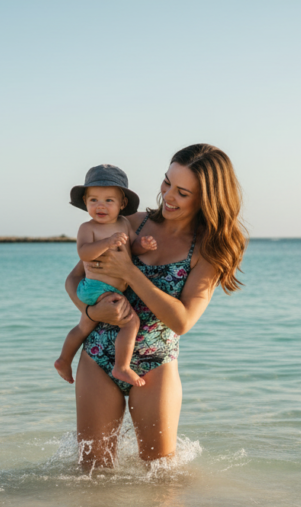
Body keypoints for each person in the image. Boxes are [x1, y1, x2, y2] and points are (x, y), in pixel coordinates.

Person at [65, 144, 247, 468]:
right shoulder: (129, 223)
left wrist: (130, 273)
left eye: (182, 192)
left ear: (207, 199)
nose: (169, 196)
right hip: (97, 356)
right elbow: (74, 278)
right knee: (91, 476)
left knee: (160, 478)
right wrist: (91, 312)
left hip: (156, 363)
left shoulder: (206, 251)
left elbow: (182, 321)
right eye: (167, 183)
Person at [55, 164, 158, 387]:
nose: (100, 206)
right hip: (94, 287)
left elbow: (131, 250)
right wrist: (106, 242)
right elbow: (84, 253)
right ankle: (121, 367)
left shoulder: (123, 224)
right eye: (94, 200)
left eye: (109, 200)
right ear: (85, 203)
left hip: (107, 289)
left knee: (85, 326)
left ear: (122, 204)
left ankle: (64, 360)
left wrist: (143, 245)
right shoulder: (88, 228)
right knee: (131, 322)